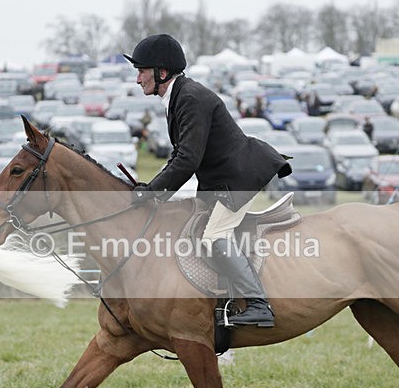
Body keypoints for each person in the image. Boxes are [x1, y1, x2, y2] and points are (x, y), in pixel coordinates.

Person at [124, 34, 292, 328]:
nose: (137, 79)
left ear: (161, 72)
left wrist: (152, 193)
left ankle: (257, 303)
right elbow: (181, 155)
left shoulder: (189, 97)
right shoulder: (177, 97)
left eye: (141, 71)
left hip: (237, 178)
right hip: (220, 180)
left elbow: (187, 160)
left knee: (214, 235)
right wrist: (151, 188)